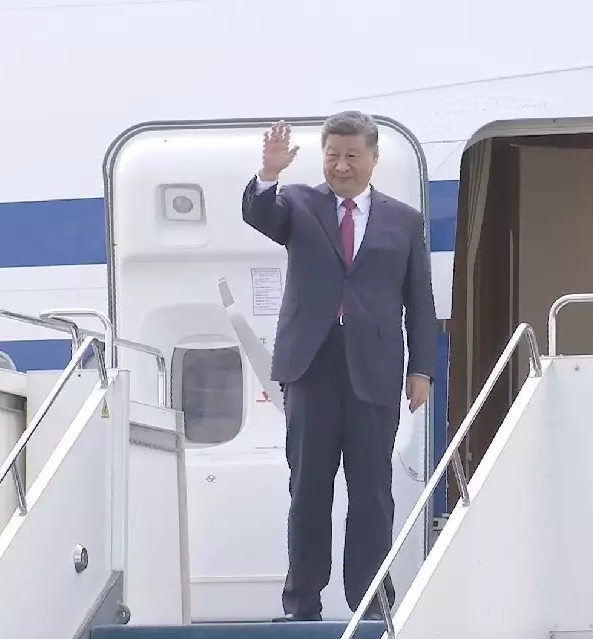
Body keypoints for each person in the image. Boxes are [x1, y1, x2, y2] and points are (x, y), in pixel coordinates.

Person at [241, 111, 438, 622]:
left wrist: (421, 368)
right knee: (308, 488)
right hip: (311, 365)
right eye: (333, 156)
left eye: (352, 156)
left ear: (374, 158)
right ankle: (301, 604)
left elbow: (420, 300)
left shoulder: (404, 220)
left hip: (374, 368)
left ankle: (370, 604)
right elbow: (260, 214)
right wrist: (269, 172)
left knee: (372, 492)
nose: (342, 166)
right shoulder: (298, 203)